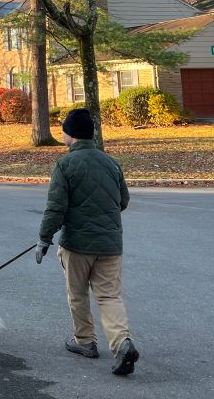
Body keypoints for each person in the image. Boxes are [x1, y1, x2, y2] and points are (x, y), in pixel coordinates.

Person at [35, 107, 139, 376]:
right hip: (110, 245)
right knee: (109, 296)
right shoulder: (111, 163)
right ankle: (122, 343)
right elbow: (123, 201)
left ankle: (85, 341)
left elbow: (55, 208)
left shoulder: (64, 165)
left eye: (64, 130)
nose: (62, 134)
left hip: (77, 246)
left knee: (78, 294)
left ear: (70, 135)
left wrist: (44, 239)